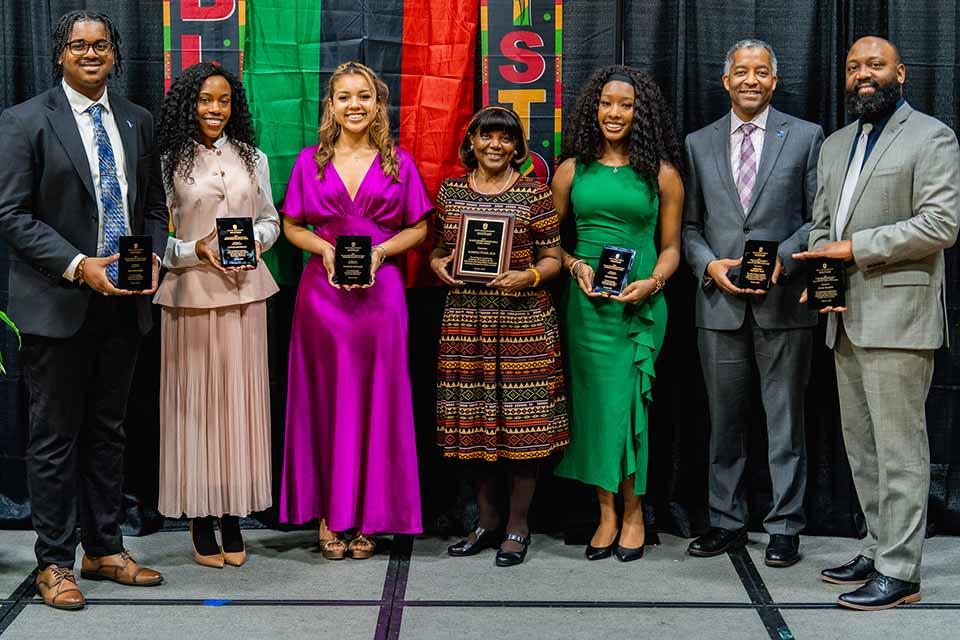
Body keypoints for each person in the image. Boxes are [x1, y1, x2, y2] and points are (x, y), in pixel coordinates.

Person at [0, 10, 167, 609]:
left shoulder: (137, 120)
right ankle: (54, 563)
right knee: (53, 438)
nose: (91, 53)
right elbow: (11, 216)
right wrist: (80, 265)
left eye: (101, 45)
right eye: (79, 45)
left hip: (124, 304)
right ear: (60, 55)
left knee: (109, 432)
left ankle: (104, 549)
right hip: (59, 301)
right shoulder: (23, 122)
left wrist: (147, 258)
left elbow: (152, 205)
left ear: (115, 53)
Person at [794, 36, 960, 610]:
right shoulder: (837, 143)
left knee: (900, 450)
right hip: (844, 315)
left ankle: (901, 572)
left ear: (901, 72)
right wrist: (823, 273)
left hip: (899, 316)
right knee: (862, 448)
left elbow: (940, 224)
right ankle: (878, 543)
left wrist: (852, 250)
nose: (863, 74)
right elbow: (820, 225)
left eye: (875, 65)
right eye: (853, 66)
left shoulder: (932, 136)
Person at [279, 61, 431, 559]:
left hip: (380, 299)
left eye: (363, 96)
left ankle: (366, 516)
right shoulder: (310, 162)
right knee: (326, 402)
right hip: (322, 301)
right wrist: (322, 250)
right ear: (331, 105)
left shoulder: (398, 164)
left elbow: (419, 228)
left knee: (377, 402)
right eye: (344, 96)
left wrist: (383, 251)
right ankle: (330, 513)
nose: (354, 105)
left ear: (377, 104)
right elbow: (292, 225)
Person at [681, 39, 823, 567]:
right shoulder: (697, 143)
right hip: (719, 304)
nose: (750, 80)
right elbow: (690, 225)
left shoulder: (806, 137)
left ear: (774, 80)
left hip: (783, 304)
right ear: (725, 80)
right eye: (741, 71)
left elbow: (819, 218)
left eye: (761, 72)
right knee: (724, 422)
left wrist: (784, 258)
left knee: (785, 421)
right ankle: (726, 521)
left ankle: (785, 525)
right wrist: (708, 264)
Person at [552, 66, 684, 562]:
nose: (614, 112)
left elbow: (670, 247)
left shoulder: (663, 175)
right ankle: (604, 512)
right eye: (607, 103)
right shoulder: (571, 171)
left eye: (625, 104)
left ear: (640, 112)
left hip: (640, 309)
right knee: (594, 412)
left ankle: (633, 513)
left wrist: (653, 282)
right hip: (586, 309)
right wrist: (573, 264)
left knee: (630, 411)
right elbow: (549, 240)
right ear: (594, 107)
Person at [430, 106, 568, 567]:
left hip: (522, 322)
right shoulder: (450, 191)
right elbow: (440, 249)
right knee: (475, 428)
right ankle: (485, 523)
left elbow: (554, 256)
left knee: (521, 430)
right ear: (470, 141)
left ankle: (517, 526)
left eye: (505, 139)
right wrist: (437, 265)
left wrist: (528, 276)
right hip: (466, 321)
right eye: (486, 137)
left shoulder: (535, 193)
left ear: (517, 146)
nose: (495, 145)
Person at [154, 63, 280, 568]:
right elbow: (153, 238)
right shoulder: (167, 162)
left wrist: (255, 241)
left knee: (239, 406)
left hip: (246, 297)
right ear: (189, 103)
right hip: (188, 297)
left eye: (224, 101)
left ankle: (232, 513)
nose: (215, 109)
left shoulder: (254, 157)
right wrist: (192, 250)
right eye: (206, 100)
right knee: (197, 408)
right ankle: (200, 516)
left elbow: (270, 219)